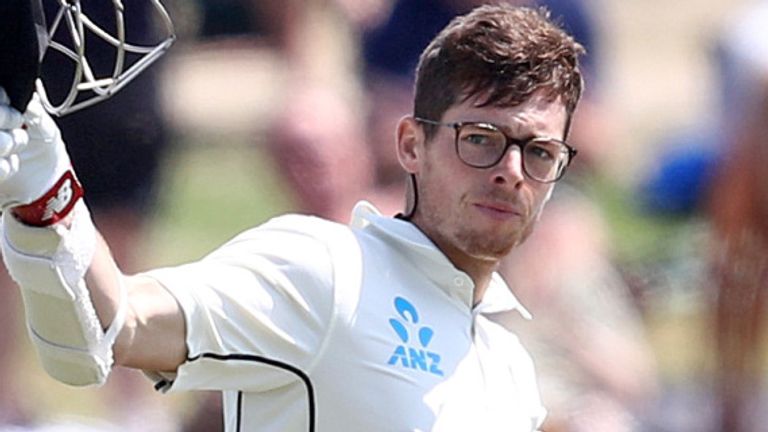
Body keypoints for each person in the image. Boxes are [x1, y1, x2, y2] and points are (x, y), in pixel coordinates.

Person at [0, 4, 584, 431]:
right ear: (411, 145)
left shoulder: (510, 369)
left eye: (539, 152)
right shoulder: (328, 272)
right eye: (479, 139)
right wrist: (45, 192)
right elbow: (104, 333)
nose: (511, 170)